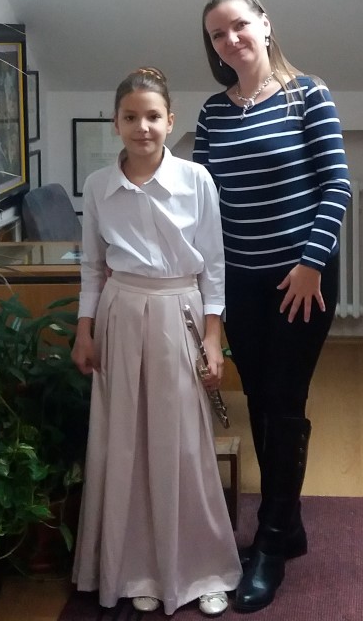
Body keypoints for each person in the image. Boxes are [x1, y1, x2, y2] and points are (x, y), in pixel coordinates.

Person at [194, 0, 351, 612]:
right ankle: (290, 523)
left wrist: (311, 263)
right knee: (260, 402)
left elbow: (337, 185)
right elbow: (201, 199)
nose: (230, 39)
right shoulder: (212, 112)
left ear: (264, 25)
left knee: (284, 403)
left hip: (300, 283)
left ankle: (269, 543)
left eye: (239, 25)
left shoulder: (307, 95)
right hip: (241, 284)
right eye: (217, 34)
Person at [71, 67, 241, 617]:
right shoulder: (99, 186)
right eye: (130, 117)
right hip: (120, 313)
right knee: (127, 444)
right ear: (116, 123)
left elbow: (214, 265)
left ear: (170, 121)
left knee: (185, 444)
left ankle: (202, 567)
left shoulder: (196, 179)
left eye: (152, 116)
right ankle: (138, 567)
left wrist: (213, 337)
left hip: (179, 312)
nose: (141, 127)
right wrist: (84, 329)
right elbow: (92, 267)